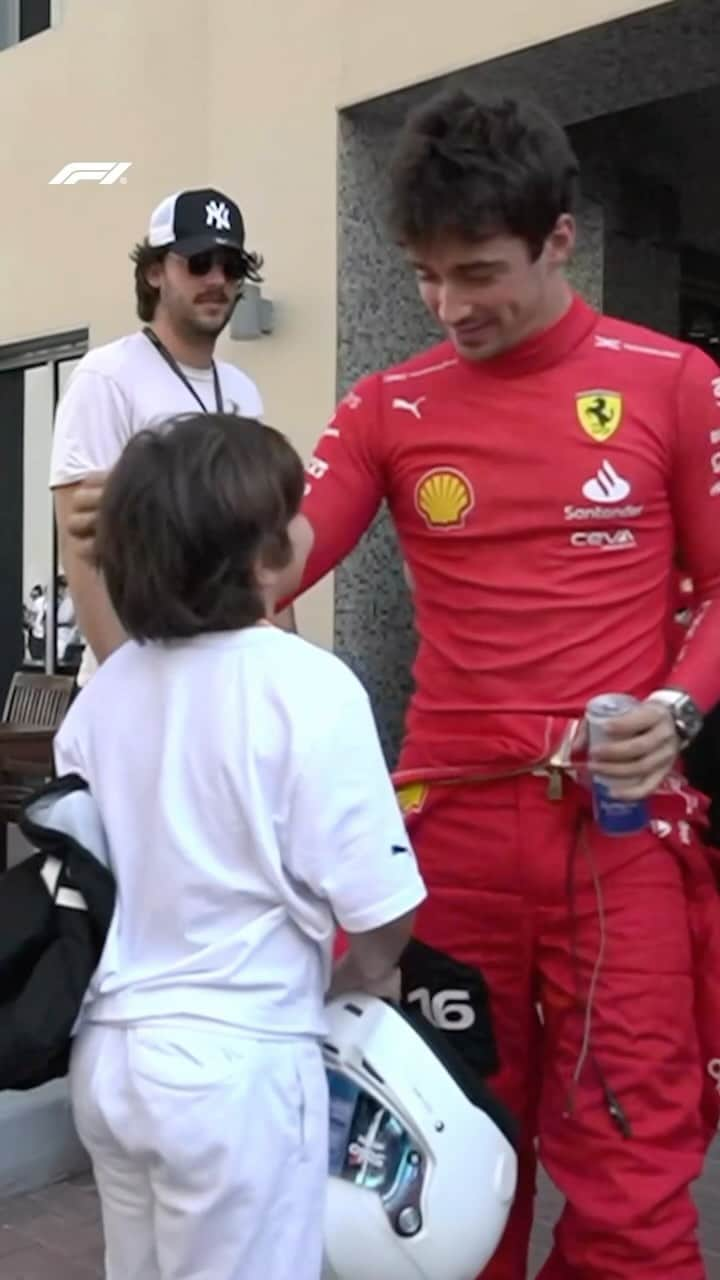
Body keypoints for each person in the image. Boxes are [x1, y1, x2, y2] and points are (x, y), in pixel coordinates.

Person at [66, 92, 720, 1279]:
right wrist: (142, 531)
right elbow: (265, 568)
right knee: (435, 1166)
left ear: (559, 238)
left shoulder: (673, 382)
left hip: (617, 841)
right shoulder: (387, 404)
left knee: (635, 1163)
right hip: (441, 848)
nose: (449, 306)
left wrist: (676, 709)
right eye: (424, 276)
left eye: (477, 272)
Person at [54, 412, 426, 1280]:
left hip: (112, 1057)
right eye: (293, 513)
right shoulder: (307, 685)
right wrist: (361, 976)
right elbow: (380, 905)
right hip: (238, 1063)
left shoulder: (106, 697)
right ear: (258, 555)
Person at [50, 186, 295, 692]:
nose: (217, 281)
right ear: (155, 272)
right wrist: (125, 684)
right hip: (142, 678)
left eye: (231, 267)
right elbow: (82, 547)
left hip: (229, 677)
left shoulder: (243, 392)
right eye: (199, 262)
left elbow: (264, 544)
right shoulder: (107, 377)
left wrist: (284, 665)